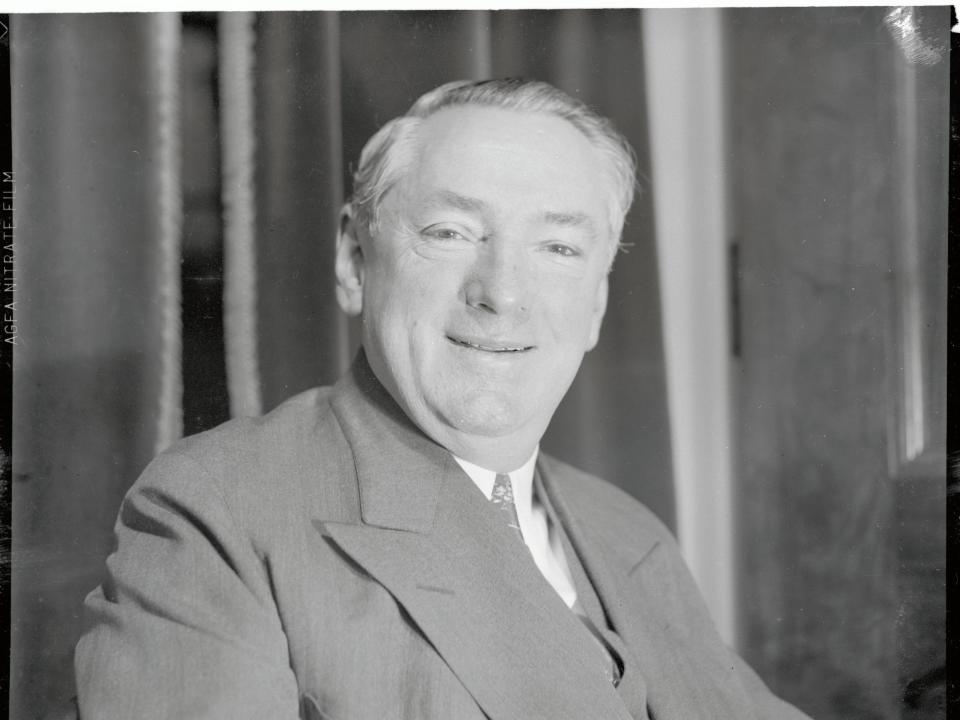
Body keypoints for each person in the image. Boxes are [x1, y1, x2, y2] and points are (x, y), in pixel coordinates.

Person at [75, 79, 812, 720]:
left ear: (596, 306)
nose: (502, 293)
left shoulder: (628, 533)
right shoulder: (221, 511)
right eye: (451, 232)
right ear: (355, 261)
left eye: (558, 248)